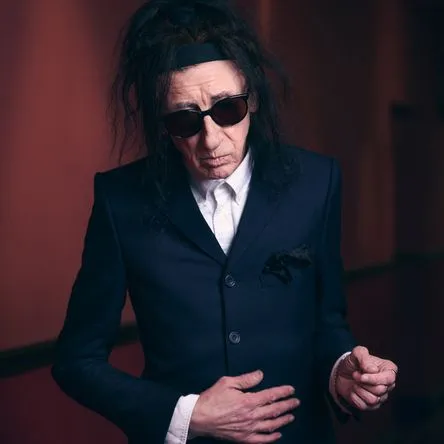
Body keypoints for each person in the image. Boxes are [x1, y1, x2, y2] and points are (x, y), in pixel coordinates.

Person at [51, 1, 398, 443]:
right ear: (163, 124)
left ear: (252, 98)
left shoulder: (316, 182)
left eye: (228, 110)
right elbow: (76, 361)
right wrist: (186, 415)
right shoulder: (121, 201)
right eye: (185, 120)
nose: (211, 141)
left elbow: (327, 320)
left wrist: (340, 371)